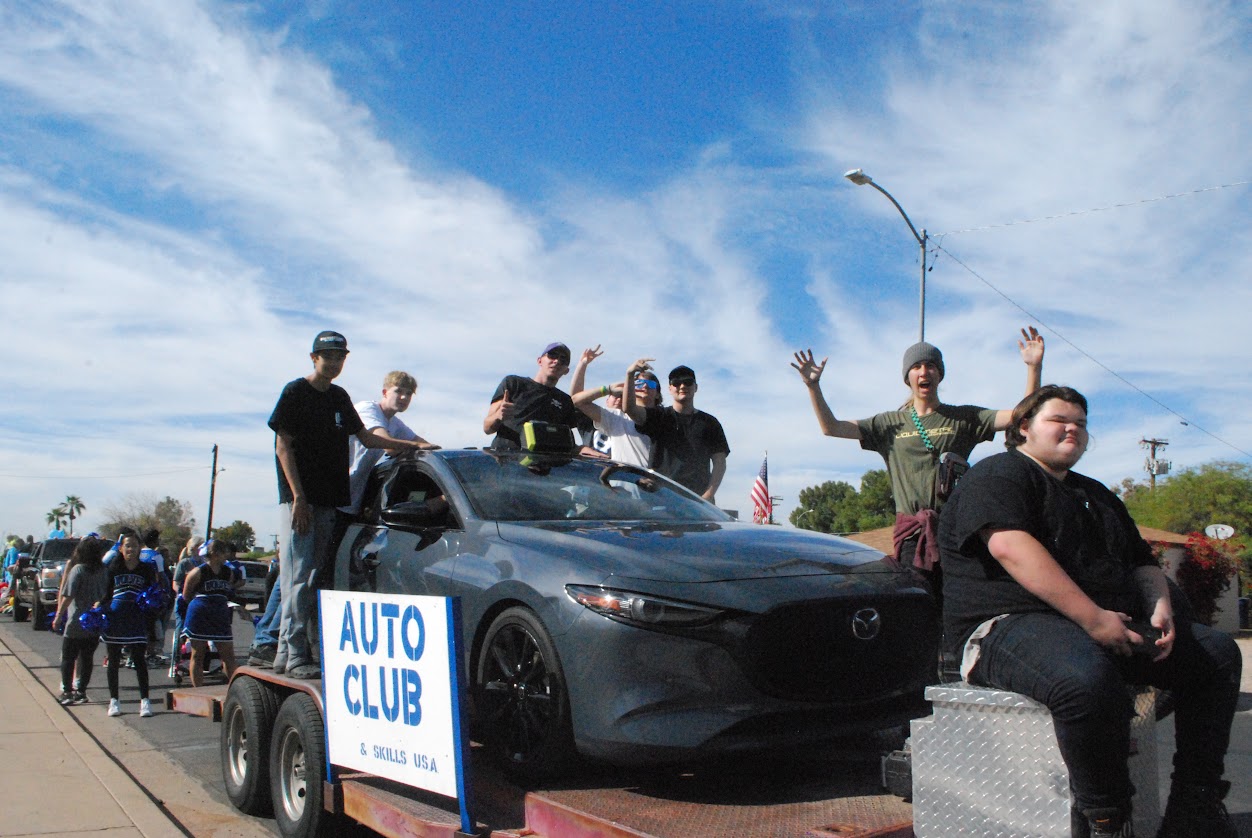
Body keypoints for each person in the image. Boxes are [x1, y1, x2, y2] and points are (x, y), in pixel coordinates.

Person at [939, 385, 1241, 837]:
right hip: (1003, 627)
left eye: (1081, 423)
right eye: (1060, 419)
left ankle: (1193, 806)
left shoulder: (1095, 493)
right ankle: (1106, 819)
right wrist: (1094, 619)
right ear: (1024, 427)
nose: (1073, 429)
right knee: (1087, 678)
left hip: (1092, 624)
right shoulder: (999, 474)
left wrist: (1160, 608)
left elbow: (1142, 561)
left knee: (1216, 654)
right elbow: (1009, 546)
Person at [792, 327, 1045, 579]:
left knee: (956, 605)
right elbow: (832, 427)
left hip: (955, 530)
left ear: (940, 374)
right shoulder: (888, 423)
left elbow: (1021, 417)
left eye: (931, 365)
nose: (924, 371)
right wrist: (813, 386)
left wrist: (1033, 368)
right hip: (912, 535)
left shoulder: (964, 417)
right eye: (917, 366)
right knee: (917, 603)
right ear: (908, 376)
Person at [263, 330, 422, 680]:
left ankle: (284, 654)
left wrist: (413, 447)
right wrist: (298, 498)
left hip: (332, 499)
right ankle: (296, 653)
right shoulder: (296, 392)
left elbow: (366, 437)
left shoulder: (339, 397)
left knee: (312, 577)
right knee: (298, 577)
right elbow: (283, 446)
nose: (334, 363)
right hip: (300, 500)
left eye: (340, 357)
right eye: (327, 356)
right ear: (314, 358)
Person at [623, 363, 729, 502]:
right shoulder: (659, 416)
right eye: (676, 383)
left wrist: (708, 495)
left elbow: (719, 462)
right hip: (660, 499)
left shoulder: (710, 423)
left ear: (696, 387)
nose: (682, 386)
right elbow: (629, 409)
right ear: (670, 389)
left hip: (698, 502)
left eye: (688, 382)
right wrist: (630, 375)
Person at [343, 370, 440, 515]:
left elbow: (427, 446)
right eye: (398, 391)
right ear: (385, 392)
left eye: (409, 394)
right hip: (331, 494)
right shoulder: (368, 410)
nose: (404, 397)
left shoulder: (395, 424)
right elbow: (387, 445)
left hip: (352, 500)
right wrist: (416, 446)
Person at [482, 342, 596, 454]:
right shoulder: (514, 383)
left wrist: (580, 449)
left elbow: (564, 440)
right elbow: (487, 428)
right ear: (539, 361)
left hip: (541, 468)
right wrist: (498, 416)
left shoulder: (565, 401)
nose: (557, 361)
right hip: (506, 463)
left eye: (563, 360)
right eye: (552, 355)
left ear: (566, 370)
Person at [99, 532, 159, 717]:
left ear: (140, 548)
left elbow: (153, 594)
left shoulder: (147, 569)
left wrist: (151, 625)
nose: (131, 549)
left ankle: (145, 702)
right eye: (127, 545)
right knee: (114, 660)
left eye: (134, 545)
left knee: (139, 660)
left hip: (137, 618)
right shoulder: (113, 567)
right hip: (116, 618)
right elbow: (106, 594)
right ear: (121, 548)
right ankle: (114, 701)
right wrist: (99, 606)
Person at [568, 349, 662, 467]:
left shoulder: (666, 418)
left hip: (657, 481)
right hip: (621, 480)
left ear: (658, 393)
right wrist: (607, 389)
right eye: (638, 383)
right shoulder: (616, 418)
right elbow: (576, 400)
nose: (644, 386)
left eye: (651, 384)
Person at [52, 536, 109, 705]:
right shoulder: (104, 570)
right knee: (87, 657)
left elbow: (68, 596)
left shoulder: (78, 570)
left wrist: (57, 617)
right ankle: (81, 691)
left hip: (76, 620)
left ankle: (67, 692)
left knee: (69, 657)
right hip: (94, 621)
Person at [181, 539, 244, 687]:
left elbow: (233, 587)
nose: (226, 555)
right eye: (224, 552)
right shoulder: (198, 572)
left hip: (220, 614)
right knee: (198, 654)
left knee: (228, 655)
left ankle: (232, 689)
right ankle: (198, 689)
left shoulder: (227, 572)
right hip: (200, 613)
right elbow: (186, 594)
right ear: (214, 554)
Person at [169, 536, 205, 677]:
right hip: (184, 601)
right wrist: (182, 594)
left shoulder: (204, 563)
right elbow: (176, 582)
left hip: (199, 601)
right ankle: (175, 662)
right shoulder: (184, 563)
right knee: (181, 629)